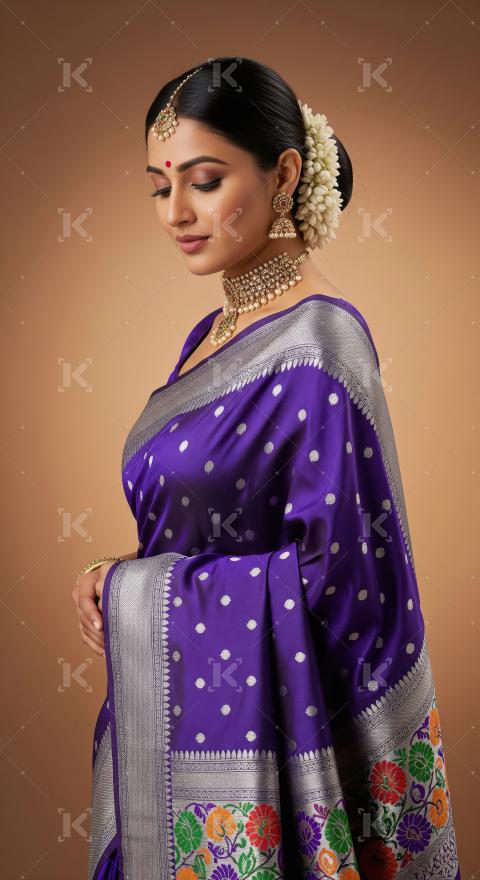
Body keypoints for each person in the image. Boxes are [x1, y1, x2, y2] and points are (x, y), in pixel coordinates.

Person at [72, 57, 461, 880]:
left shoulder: (320, 345)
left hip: (275, 760)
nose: (175, 212)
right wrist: (125, 575)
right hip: (175, 717)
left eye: (205, 181)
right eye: (157, 185)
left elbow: (341, 586)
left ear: (284, 173)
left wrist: (136, 593)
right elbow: (218, 529)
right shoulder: (214, 334)